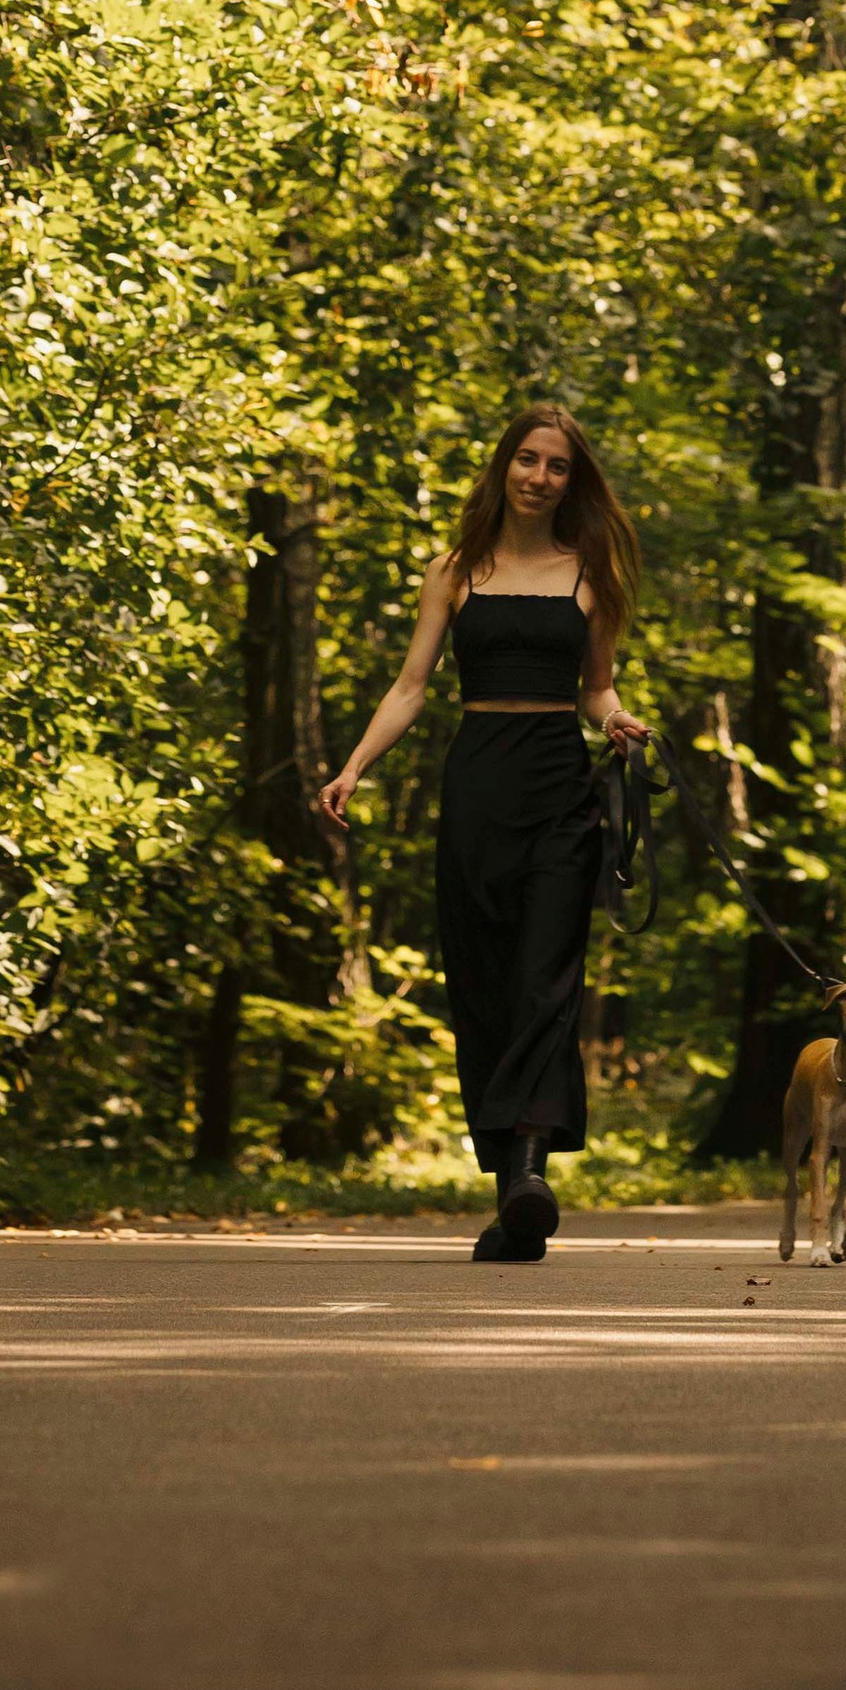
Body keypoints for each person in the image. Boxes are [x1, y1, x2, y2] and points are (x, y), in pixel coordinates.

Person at [318, 404, 648, 1264]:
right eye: (528, 461)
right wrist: (355, 766)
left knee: (546, 979)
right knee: (485, 984)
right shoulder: (456, 570)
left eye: (559, 467)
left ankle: (531, 1167)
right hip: (475, 790)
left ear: (574, 482)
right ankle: (513, 1196)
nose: (540, 477)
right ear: (504, 467)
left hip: (557, 794)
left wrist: (619, 723)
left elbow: (598, 688)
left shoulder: (591, 571)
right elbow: (411, 685)